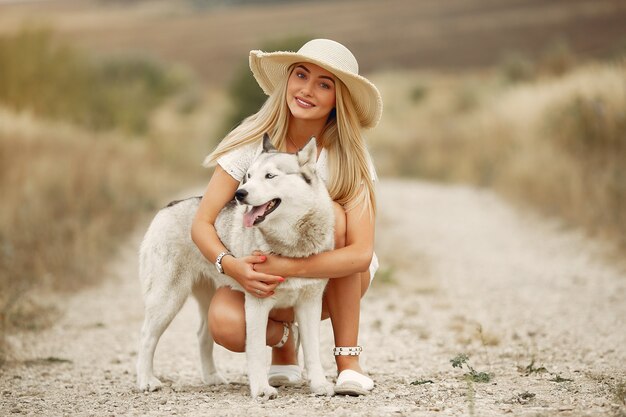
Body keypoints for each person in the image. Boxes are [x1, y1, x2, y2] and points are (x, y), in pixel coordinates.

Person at [191, 38, 383, 396]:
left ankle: (348, 362)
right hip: (261, 277)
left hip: (329, 282)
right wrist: (231, 266)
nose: (307, 90)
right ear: (287, 81)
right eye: (301, 75)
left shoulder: (348, 158)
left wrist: (286, 267)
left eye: (324, 84)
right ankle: (284, 346)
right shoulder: (250, 144)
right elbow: (202, 222)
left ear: (338, 99)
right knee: (225, 324)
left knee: (335, 219)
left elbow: (360, 254)